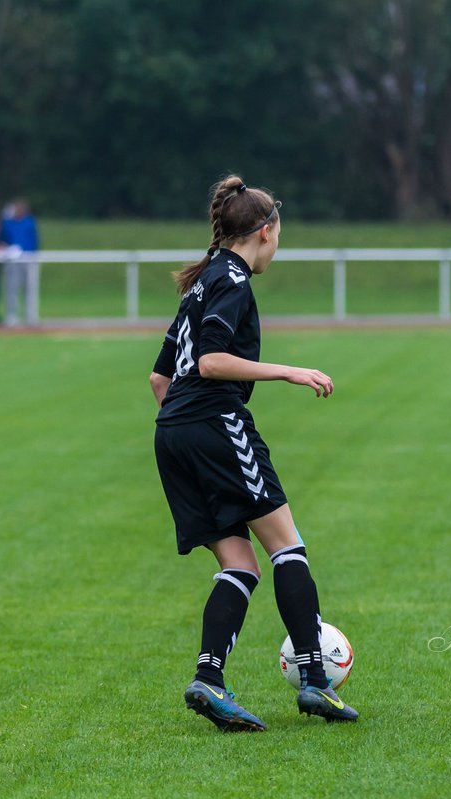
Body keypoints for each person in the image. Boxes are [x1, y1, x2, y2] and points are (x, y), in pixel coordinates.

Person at [149, 175, 357, 732]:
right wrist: (288, 370)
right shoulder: (233, 281)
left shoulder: (200, 283)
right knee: (287, 548)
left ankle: (209, 681)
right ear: (264, 232)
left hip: (172, 434)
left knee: (239, 565)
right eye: (279, 235)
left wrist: (187, 425)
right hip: (215, 425)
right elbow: (211, 363)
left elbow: (160, 378)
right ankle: (316, 682)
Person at [0, 199, 39, 325]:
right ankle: (11, 315)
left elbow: (35, 240)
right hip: (13, 260)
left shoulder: (30, 222)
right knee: (11, 288)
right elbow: (2, 240)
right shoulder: (7, 223)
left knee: (30, 289)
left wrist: (34, 255)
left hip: (29, 258)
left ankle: (30, 315)